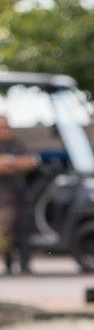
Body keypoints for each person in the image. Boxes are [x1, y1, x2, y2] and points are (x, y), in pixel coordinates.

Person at [0, 113, 37, 275]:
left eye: (6, 127)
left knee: (24, 229)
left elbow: (30, 162)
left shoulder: (17, 143)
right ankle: (8, 264)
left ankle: (25, 265)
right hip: (2, 199)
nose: (4, 130)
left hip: (19, 195)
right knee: (5, 232)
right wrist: (14, 162)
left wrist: (8, 161)